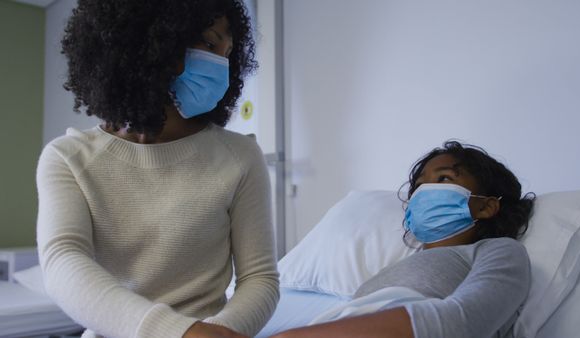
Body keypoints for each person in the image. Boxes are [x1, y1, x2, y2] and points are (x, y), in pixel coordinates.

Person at [35, 1, 278, 338]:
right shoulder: (68, 158)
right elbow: (63, 262)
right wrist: (178, 333)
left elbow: (260, 279)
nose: (221, 63)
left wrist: (214, 333)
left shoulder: (241, 156)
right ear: (149, 43)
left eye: (227, 51)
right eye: (209, 43)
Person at [270, 141, 535, 338]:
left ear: (486, 207)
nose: (424, 192)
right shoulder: (392, 269)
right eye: (419, 187)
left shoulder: (499, 250)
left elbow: (463, 322)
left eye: (444, 178)